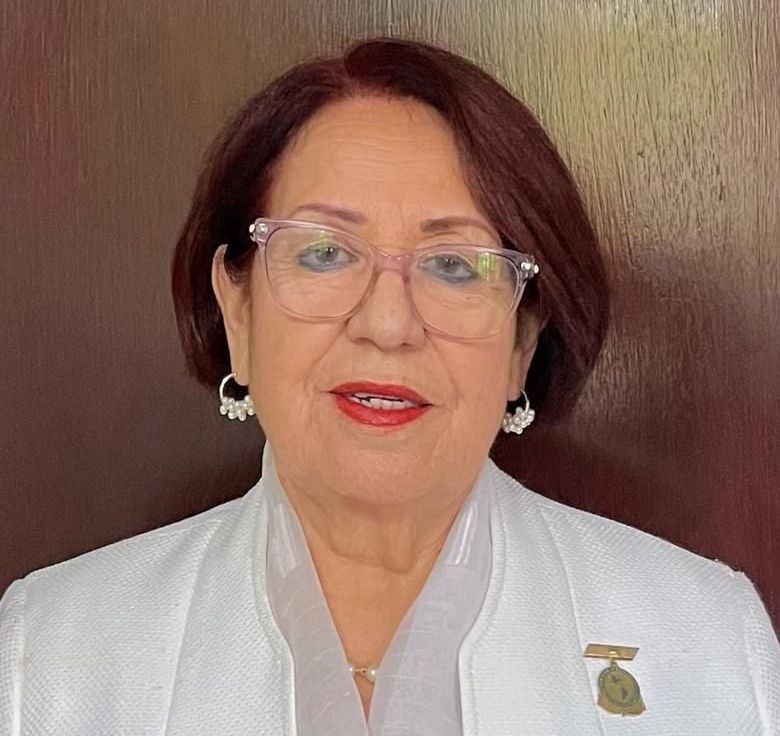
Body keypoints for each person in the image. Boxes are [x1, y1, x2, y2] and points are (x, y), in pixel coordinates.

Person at [1, 36, 778, 736]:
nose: (387, 324)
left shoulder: (710, 642)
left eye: (453, 265)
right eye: (323, 253)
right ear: (237, 310)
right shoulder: (51, 655)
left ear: (522, 341)